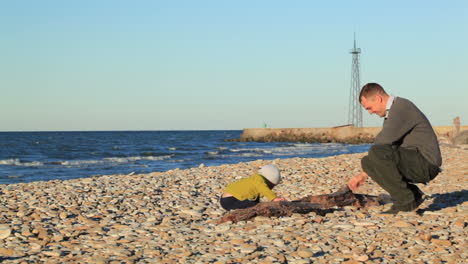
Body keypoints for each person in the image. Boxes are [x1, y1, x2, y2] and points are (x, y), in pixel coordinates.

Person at [348, 83, 441, 214]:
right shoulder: (393, 111)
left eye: (369, 108)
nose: (370, 112)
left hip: (426, 164)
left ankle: (406, 200)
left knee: (376, 153)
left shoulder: (401, 108)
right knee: (368, 162)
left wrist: (362, 175)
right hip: (415, 160)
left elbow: (382, 143)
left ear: (379, 98)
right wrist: (364, 173)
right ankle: (413, 194)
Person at [220, 164, 287, 210]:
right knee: (256, 207)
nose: (271, 188)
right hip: (231, 201)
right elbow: (264, 189)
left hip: (226, 199)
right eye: (271, 186)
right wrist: (274, 198)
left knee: (254, 201)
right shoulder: (259, 181)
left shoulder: (254, 179)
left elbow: (257, 195)